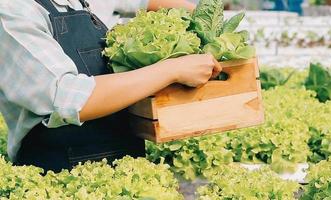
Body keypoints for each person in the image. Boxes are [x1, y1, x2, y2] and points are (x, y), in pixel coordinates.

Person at [0, 0, 222, 172]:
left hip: (126, 165)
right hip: (60, 174)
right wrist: (172, 70)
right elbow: (66, 98)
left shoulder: (79, 3)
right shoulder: (13, 10)